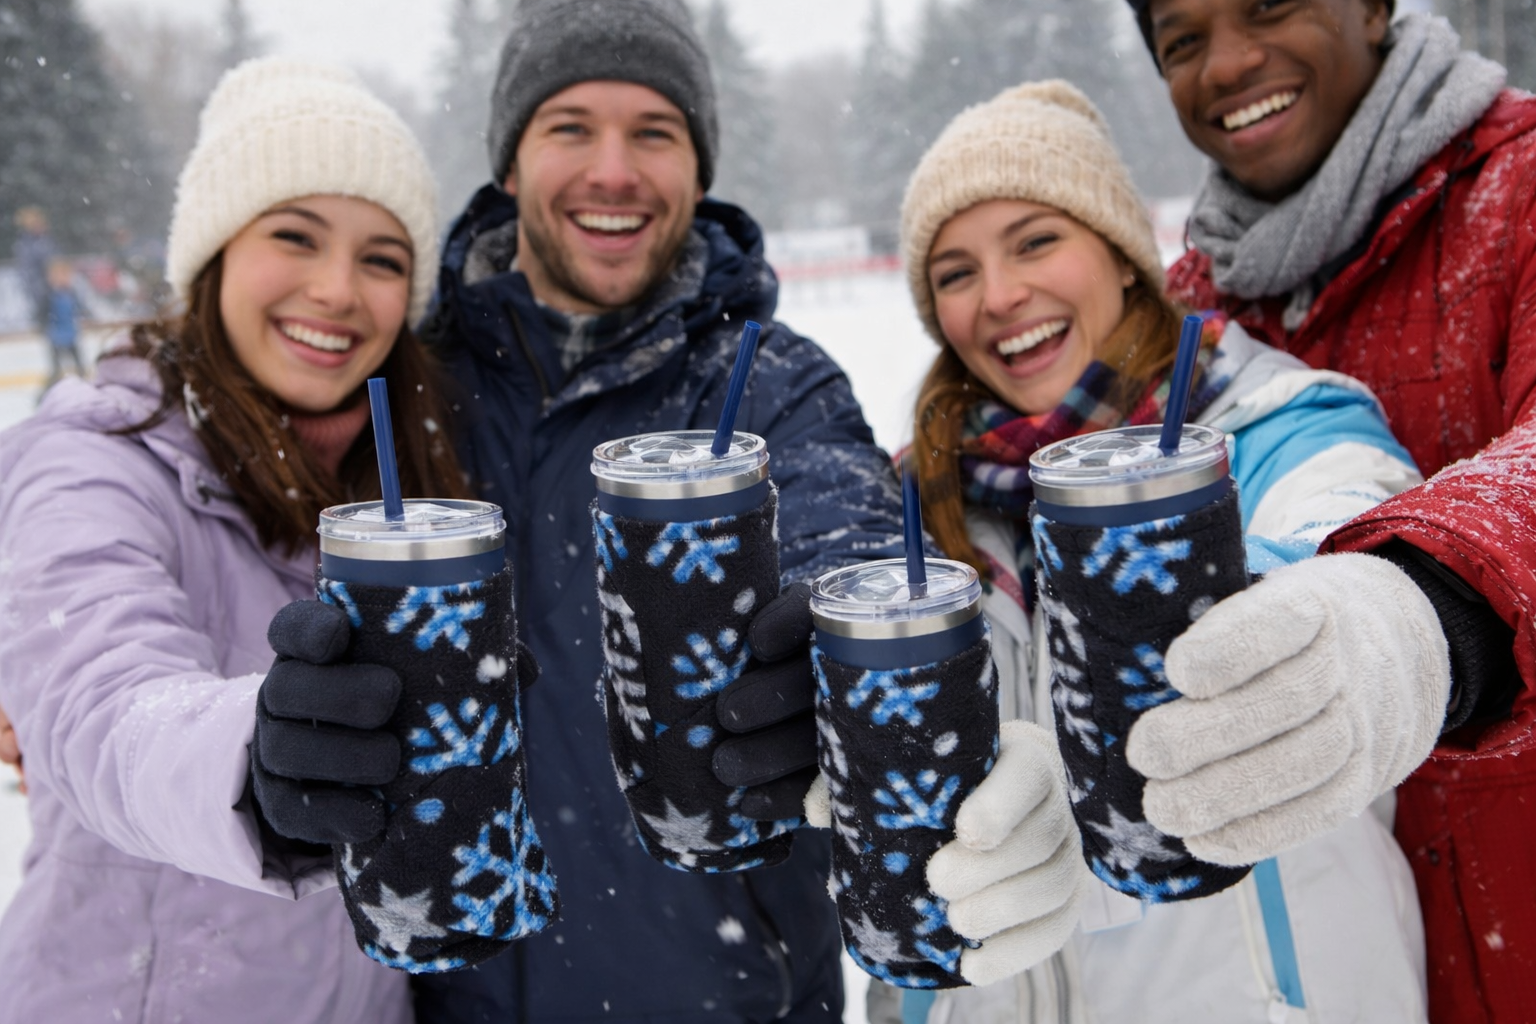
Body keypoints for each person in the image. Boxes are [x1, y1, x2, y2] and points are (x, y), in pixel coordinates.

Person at [855, 79, 1428, 1024]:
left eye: (1036, 240)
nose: (1000, 296)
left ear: (1122, 258)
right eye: (955, 273)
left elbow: (1354, 525)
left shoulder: (1270, 422)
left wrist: (1288, 604)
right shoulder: (915, 508)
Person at [0, 56, 458, 1023]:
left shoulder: (411, 491)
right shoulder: (95, 460)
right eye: (295, 236)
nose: (338, 289)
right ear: (211, 254)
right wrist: (251, 759)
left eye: (383, 258)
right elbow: (101, 699)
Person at [1119, 1, 1536, 1018]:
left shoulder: (1520, 192)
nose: (1227, 63)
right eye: (1182, 41)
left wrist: (1426, 613)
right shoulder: (1194, 314)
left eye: (1270, 6)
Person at [42, 258, 85, 388]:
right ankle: (44, 396)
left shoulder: (72, 293)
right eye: (59, 275)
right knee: (56, 370)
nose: (64, 278)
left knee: (80, 367)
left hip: (71, 335)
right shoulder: (48, 295)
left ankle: (84, 391)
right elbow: (42, 315)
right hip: (56, 337)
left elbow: (80, 309)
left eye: (66, 275)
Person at [11, 206, 55, 333]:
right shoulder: (25, 245)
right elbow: (27, 270)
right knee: (48, 325)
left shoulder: (46, 240)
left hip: (53, 288)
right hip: (41, 291)